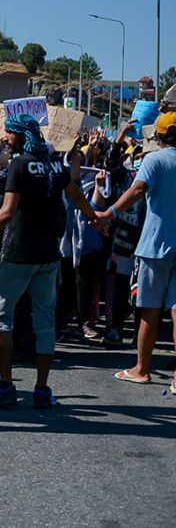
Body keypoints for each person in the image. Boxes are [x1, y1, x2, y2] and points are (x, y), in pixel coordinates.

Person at [0, 114, 98, 410]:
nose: (6, 138)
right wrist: (95, 218)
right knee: (44, 323)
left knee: (1, 318)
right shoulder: (53, 164)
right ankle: (42, 390)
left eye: (9, 134)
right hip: (48, 256)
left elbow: (7, 213)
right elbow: (75, 193)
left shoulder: (19, 165)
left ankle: (6, 386)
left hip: (17, 254)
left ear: (21, 135)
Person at [98, 112, 176, 390]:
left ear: (157, 136)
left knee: (149, 310)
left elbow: (139, 188)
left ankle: (142, 369)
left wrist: (109, 212)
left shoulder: (154, 159)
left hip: (155, 246)